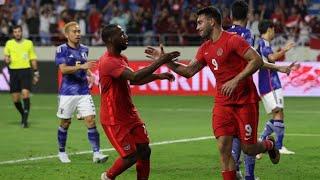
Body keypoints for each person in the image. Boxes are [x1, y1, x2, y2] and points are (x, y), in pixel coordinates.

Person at [145, 6, 280, 180]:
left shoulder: (233, 40)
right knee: (224, 148)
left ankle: (269, 144)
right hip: (223, 103)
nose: (197, 27)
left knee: (249, 149)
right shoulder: (205, 48)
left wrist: (235, 80)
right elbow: (188, 71)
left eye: (200, 22)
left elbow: (256, 61)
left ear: (212, 21)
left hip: (245, 101)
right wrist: (164, 61)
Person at [227, 1, 298, 179]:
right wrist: (284, 54)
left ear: (230, 15)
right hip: (249, 89)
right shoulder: (249, 36)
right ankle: (270, 146)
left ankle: (235, 169)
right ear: (248, 16)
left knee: (234, 134)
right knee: (253, 133)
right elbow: (258, 60)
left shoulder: (224, 34)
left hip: (227, 91)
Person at [99, 24, 179, 180]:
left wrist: (158, 76)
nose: (126, 36)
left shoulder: (121, 59)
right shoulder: (108, 61)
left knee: (144, 151)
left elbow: (133, 81)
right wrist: (160, 61)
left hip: (129, 115)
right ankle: (107, 177)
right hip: (114, 118)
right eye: (121, 34)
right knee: (131, 156)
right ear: (110, 39)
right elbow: (135, 76)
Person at [55, 21, 108, 163]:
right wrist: (82, 67)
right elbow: (64, 70)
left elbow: (82, 65)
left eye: (79, 31)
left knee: (90, 120)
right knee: (65, 122)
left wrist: (90, 73)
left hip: (83, 91)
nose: (78, 34)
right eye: (74, 31)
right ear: (67, 34)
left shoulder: (84, 48)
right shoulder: (61, 49)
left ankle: (97, 153)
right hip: (67, 92)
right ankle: (62, 152)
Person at [256, 20, 296, 157]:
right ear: (269, 29)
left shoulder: (263, 43)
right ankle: (278, 146)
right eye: (273, 30)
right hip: (270, 84)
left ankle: (261, 140)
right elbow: (271, 58)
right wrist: (285, 49)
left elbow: (269, 63)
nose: (274, 32)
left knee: (279, 113)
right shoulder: (263, 43)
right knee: (278, 113)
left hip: (270, 82)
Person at [3, 25, 39, 128]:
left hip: (25, 71)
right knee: (15, 99)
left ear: (22, 32)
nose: (17, 33)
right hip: (13, 72)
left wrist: (36, 72)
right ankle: (23, 114)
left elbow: (33, 58)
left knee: (25, 94)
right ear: (13, 33)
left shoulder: (29, 43)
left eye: (19, 31)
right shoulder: (9, 43)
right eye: (15, 32)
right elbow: (6, 56)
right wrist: (7, 60)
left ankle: (25, 120)